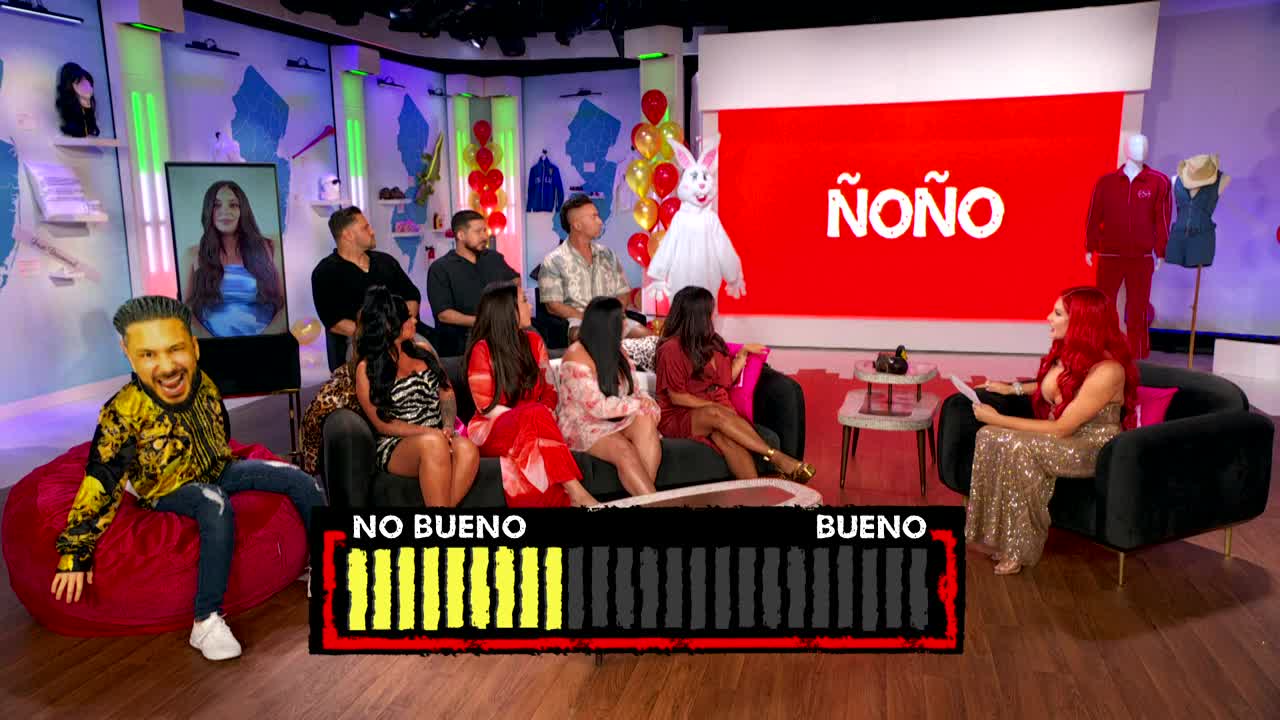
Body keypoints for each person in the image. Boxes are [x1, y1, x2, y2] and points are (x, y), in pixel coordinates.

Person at [49, 296, 324, 661]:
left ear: (194, 347)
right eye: (148, 354)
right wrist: (75, 551)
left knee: (300, 479)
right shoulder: (123, 412)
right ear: (128, 353)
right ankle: (205, 620)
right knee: (214, 503)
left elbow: (220, 432)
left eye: (175, 349)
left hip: (218, 468)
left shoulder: (203, 383)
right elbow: (100, 479)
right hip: (167, 488)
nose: (166, 367)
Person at [966, 286, 1139, 576]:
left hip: (1091, 446)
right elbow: (1058, 386)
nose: (1048, 317)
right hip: (1066, 434)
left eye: (1057, 313)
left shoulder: (1108, 371)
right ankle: (998, 536)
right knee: (988, 436)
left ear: (1081, 322)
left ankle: (1020, 548)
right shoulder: (1071, 356)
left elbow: (1060, 428)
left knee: (1018, 446)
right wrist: (1011, 389)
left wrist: (998, 418)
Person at [655, 286, 815, 482]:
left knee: (726, 438)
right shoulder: (671, 349)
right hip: (679, 414)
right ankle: (777, 457)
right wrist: (714, 406)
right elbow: (677, 397)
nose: (714, 315)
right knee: (716, 415)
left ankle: (754, 491)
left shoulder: (712, 341)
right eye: (711, 311)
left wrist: (741, 357)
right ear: (698, 316)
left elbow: (724, 381)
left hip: (713, 411)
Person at [466, 281, 597, 507]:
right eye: (524, 301)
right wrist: (531, 417)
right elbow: (486, 407)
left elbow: (550, 388)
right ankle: (577, 493)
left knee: (537, 429)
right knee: (534, 414)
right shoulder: (482, 349)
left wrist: (543, 412)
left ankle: (572, 498)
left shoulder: (534, 341)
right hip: (493, 427)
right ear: (508, 311)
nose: (530, 307)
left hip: (536, 423)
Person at [353, 286, 479, 506]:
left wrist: (447, 426)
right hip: (399, 443)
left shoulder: (423, 351)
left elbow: (446, 393)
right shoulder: (366, 369)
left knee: (468, 449)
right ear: (390, 325)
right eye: (408, 318)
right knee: (433, 444)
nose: (415, 321)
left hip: (438, 434)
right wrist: (430, 433)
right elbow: (382, 424)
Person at [557, 297, 662, 497]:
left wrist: (647, 403)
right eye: (621, 318)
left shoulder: (618, 351)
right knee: (623, 449)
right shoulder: (575, 356)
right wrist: (637, 404)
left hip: (613, 419)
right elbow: (598, 407)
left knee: (645, 420)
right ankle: (652, 500)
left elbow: (635, 391)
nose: (625, 323)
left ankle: (643, 499)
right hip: (584, 424)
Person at [312, 206, 424, 371]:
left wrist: (402, 328)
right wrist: (381, 336)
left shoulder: (386, 262)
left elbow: (412, 297)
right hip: (359, 341)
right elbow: (335, 322)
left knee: (427, 352)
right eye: (365, 228)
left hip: (401, 335)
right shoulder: (326, 272)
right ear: (348, 235)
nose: (372, 231)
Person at [537, 194, 653, 342]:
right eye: (594, 217)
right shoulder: (554, 260)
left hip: (613, 319)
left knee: (652, 341)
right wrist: (590, 319)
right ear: (577, 225)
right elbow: (553, 305)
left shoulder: (608, 254)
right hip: (578, 321)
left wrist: (612, 316)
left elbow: (623, 293)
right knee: (592, 340)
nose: (600, 221)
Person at [184, 180, 286, 337]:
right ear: (208, 210)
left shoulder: (271, 248)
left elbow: (285, 307)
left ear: (243, 211)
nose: (225, 211)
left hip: (265, 344)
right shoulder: (192, 255)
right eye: (217, 205)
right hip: (213, 347)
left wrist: (263, 342)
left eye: (233, 205)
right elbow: (185, 310)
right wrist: (213, 344)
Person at [426, 210, 519, 357]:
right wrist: (485, 322)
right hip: (461, 345)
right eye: (478, 232)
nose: (485, 236)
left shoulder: (493, 258)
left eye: (485, 230)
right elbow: (444, 314)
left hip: (502, 339)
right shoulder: (441, 268)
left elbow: (515, 280)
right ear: (460, 235)